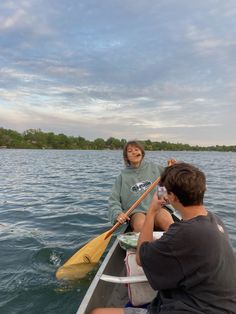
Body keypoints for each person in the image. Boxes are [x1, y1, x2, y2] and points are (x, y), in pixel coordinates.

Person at [91, 162, 236, 314]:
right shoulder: (215, 220)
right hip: (221, 305)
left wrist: (152, 211)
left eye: (166, 192)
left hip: (191, 309)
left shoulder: (181, 236)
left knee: (97, 312)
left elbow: (140, 257)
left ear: (172, 197)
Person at [108, 140, 175, 232]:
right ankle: (145, 245)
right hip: (137, 212)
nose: (134, 152)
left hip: (158, 207)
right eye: (130, 151)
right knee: (140, 225)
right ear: (126, 157)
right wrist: (118, 214)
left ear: (142, 153)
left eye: (136, 149)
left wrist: (173, 168)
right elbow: (113, 200)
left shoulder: (155, 168)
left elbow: (168, 182)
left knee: (167, 222)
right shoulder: (122, 177)